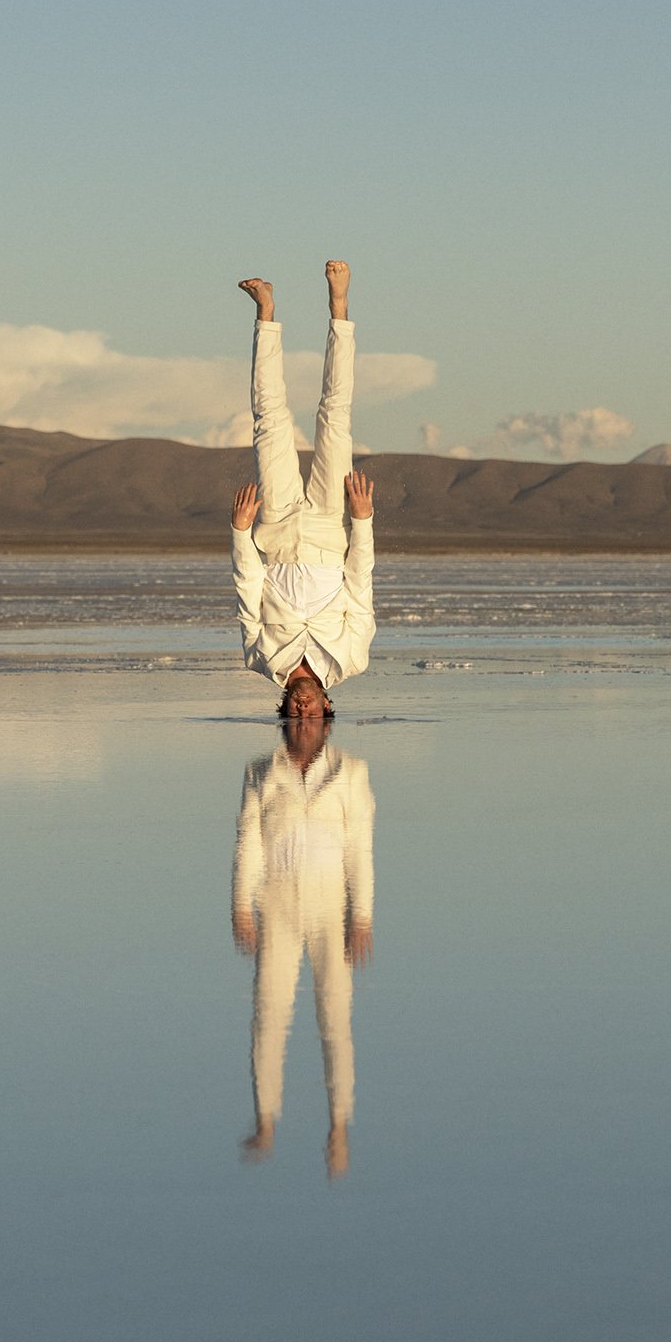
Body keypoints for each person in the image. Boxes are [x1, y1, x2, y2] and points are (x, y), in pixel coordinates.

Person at [229, 716, 376, 1179]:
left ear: (327, 719)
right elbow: (248, 843)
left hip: (332, 910)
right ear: (285, 715)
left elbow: (359, 849)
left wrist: (363, 915)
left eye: (313, 707)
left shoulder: (351, 773)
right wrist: (241, 905)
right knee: (269, 1017)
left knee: (335, 1018)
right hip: (276, 908)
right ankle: (266, 1120)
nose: (304, 717)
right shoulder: (261, 772)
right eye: (297, 704)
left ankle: (338, 1127)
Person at [230, 261, 376, 720]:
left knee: (269, 421)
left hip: (272, 531)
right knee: (335, 418)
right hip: (332, 529)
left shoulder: (259, 659)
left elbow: (247, 587)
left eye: (295, 717)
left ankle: (266, 313)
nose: (303, 711)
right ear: (328, 705)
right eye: (313, 717)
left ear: (285, 708)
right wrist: (362, 520)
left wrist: (239, 532)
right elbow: (360, 583)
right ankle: (339, 308)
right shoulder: (352, 659)